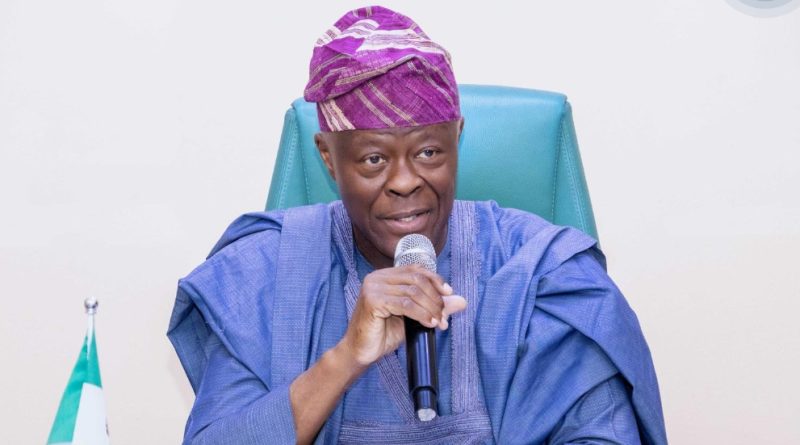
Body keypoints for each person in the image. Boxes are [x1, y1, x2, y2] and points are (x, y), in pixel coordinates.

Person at [168, 6, 667, 445]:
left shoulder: (542, 271)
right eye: (373, 160)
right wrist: (345, 358)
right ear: (327, 157)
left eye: (428, 152)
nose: (405, 182)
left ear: (458, 137)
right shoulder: (262, 272)